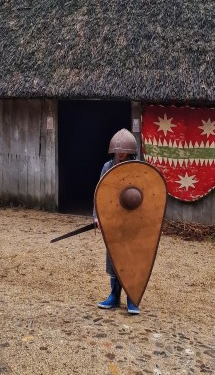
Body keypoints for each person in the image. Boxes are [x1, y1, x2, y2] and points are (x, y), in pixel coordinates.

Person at [93, 128, 141, 315]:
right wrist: (97, 216)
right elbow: (100, 193)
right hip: (113, 219)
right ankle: (114, 296)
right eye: (118, 150)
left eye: (125, 150)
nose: (121, 153)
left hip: (133, 220)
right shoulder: (107, 167)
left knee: (132, 258)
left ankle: (132, 298)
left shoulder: (139, 169)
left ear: (131, 151)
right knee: (113, 257)